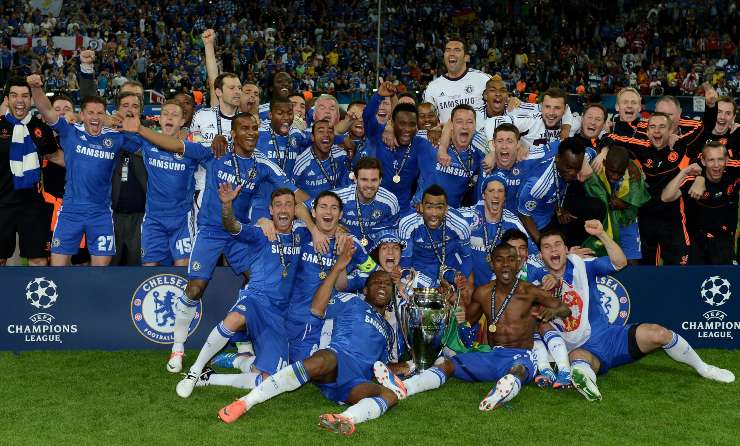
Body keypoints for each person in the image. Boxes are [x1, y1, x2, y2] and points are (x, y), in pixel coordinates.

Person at [168, 112, 323, 373]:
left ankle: (243, 344)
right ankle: (178, 347)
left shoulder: (261, 163)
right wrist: (139, 129)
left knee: (259, 282)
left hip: (238, 232)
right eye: (245, 128)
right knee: (195, 288)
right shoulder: (216, 153)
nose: (251, 133)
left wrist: (324, 212)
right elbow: (177, 145)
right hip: (211, 230)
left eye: (254, 128)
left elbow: (294, 192)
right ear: (233, 133)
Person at [533, 222, 734, 402]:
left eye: (557, 244)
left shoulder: (582, 266)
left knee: (659, 333)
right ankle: (585, 381)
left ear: (566, 249)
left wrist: (602, 234)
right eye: (547, 247)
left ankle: (704, 368)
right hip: (580, 348)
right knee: (578, 359)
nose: (553, 249)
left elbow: (619, 263)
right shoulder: (534, 282)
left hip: (610, 338)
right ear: (541, 255)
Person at [218, 249, 400, 437]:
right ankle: (245, 402)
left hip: (358, 379)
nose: (382, 286)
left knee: (390, 396)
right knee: (322, 359)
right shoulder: (352, 301)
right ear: (365, 290)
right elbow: (317, 308)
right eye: (376, 282)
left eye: (387, 284)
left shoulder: (390, 331)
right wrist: (337, 268)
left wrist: (406, 367)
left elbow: (384, 368)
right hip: (338, 359)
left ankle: (344, 419)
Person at [374, 242, 570, 411]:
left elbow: (565, 309)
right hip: (492, 355)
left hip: (521, 355)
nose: (505, 265)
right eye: (499, 260)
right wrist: (455, 310)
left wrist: (553, 311)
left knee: (517, 370)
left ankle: (501, 393)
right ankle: (406, 387)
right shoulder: (483, 292)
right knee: (449, 365)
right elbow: (468, 323)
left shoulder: (530, 291)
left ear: (518, 263)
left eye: (511, 260)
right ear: (491, 264)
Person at [176, 185, 302, 397]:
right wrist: (227, 205)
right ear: (270, 210)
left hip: (278, 314)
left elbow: (324, 219)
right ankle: (194, 371)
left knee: (268, 379)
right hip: (256, 299)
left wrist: (337, 231)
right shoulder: (261, 233)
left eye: (288, 204)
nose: (283, 209)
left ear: (294, 209)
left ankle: (216, 374)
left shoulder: (302, 234)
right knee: (235, 318)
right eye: (278, 205)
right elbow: (232, 226)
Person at [28, 75, 141, 267]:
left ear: (105, 116)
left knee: (100, 272)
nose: (95, 117)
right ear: (82, 115)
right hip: (70, 212)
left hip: (100, 214)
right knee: (58, 269)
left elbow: (147, 149)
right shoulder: (70, 132)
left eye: (99, 113)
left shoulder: (116, 138)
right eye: (90, 113)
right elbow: (46, 110)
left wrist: (130, 127)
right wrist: (36, 88)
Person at [285, 190, 376, 363]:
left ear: (340, 215)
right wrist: (313, 230)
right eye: (323, 207)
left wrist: (351, 279)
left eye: (334, 208)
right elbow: (288, 214)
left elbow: (373, 272)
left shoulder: (351, 243)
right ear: (314, 212)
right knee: (296, 366)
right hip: (298, 317)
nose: (328, 212)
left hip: (330, 319)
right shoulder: (299, 232)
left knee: (325, 366)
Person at [120, 100, 213, 266]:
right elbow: (116, 135)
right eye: (165, 114)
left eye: (175, 115)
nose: (169, 117)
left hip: (182, 219)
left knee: (182, 269)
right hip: (153, 219)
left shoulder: (191, 148)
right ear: (160, 119)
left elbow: (213, 160)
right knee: (149, 269)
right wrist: (112, 121)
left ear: (182, 121)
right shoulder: (146, 143)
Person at [609, 112, 690, 265]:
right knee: (646, 269)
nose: (657, 131)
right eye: (652, 127)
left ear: (671, 130)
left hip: (673, 219)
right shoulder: (640, 147)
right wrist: (603, 152)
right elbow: (610, 137)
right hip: (646, 218)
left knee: (679, 269)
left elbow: (703, 132)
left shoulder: (681, 147)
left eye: (662, 127)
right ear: (647, 132)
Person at [0, 77, 63, 266]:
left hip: (33, 205)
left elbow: (55, 156)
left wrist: (88, 165)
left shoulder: (40, 128)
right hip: (2, 204)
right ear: (7, 99)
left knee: (38, 259)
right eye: (14, 95)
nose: (20, 100)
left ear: (31, 99)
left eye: (25, 96)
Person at [661, 141, 740, 265]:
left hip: (722, 237)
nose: (716, 165)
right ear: (703, 161)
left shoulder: (733, 173)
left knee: (728, 272)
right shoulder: (692, 180)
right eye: (711, 160)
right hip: (696, 238)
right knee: (695, 273)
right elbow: (666, 197)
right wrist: (684, 172)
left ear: (726, 160)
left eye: (720, 159)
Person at [361, 82, 430, 210]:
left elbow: (431, 176)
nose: (407, 129)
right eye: (402, 123)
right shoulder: (378, 135)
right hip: (375, 209)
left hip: (404, 211)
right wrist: (378, 96)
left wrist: (419, 200)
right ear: (392, 123)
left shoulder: (421, 144)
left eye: (412, 124)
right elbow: (367, 117)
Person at [517, 137, 599, 245]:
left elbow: (592, 151)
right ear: (557, 158)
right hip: (539, 223)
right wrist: (542, 243)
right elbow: (524, 214)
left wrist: (600, 155)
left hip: (553, 205)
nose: (573, 173)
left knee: (597, 207)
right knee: (560, 246)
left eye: (577, 168)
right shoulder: (539, 184)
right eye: (569, 167)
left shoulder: (572, 155)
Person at [460, 175, 536, 288]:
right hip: (467, 285)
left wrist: (544, 274)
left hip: (497, 288)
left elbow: (533, 253)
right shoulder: (466, 217)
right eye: (491, 191)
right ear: (483, 195)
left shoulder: (513, 222)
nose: (496, 195)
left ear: (504, 197)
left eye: (500, 191)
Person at [583, 145, 650, 264]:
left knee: (633, 261)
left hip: (626, 221)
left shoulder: (634, 172)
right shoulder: (594, 168)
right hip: (603, 222)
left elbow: (639, 199)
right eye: (612, 171)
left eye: (619, 173)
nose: (615, 176)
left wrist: (625, 204)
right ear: (604, 163)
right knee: (602, 261)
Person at [398, 185, 472, 288]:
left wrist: (460, 279)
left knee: (465, 292)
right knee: (412, 289)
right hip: (420, 266)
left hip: (449, 265)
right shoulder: (407, 223)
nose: (434, 214)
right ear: (421, 207)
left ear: (446, 209)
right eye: (429, 207)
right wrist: (407, 279)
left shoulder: (460, 225)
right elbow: (406, 260)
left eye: (439, 208)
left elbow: (467, 257)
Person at [418, 104, 485, 208]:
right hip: (421, 209)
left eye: (470, 122)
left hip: (452, 213)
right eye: (459, 122)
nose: (464, 126)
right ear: (451, 125)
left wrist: (492, 155)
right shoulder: (430, 138)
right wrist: (390, 129)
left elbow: (498, 149)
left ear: (475, 126)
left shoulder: (478, 147)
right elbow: (402, 132)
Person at [110, 91, 148, 266]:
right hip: (111, 215)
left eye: (135, 106)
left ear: (140, 111)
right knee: (108, 269)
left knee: (138, 270)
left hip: (141, 216)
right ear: (117, 109)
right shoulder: (106, 135)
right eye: (125, 105)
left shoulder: (150, 138)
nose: (130, 110)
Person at [328, 157, 399, 246]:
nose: (369, 185)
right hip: (344, 246)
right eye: (364, 180)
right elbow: (310, 207)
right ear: (355, 179)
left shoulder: (390, 201)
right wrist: (326, 228)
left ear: (380, 180)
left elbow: (393, 230)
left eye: (374, 180)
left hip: (374, 248)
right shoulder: (338, 197)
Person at [422, 38, 490, 126]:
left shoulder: (483, 80)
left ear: (466, 57)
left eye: (457, 50)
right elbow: (427, 122)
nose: (451, 53)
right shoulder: (432, 88)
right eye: (448, 50)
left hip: (480, 135)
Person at [292, 119, 350, 198]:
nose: (326, 134)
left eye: (330, 131)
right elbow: (293, 191)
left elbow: (346, 182)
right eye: (321, 131)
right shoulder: (301, 163)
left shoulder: (341, 155)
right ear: (312, 137)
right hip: (312, 204)